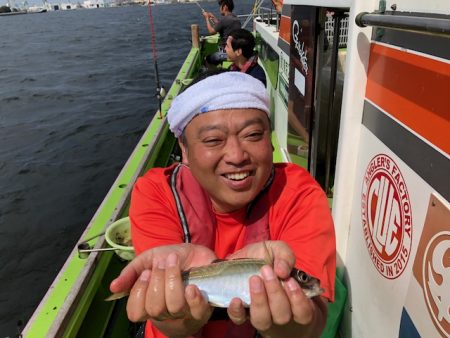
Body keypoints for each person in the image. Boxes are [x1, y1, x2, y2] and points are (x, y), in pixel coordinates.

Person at [110, 72, 336, 338]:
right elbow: (168, 323)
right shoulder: (156, 192)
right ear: (184, 147)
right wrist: (174, 320)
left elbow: (314, 320)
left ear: (269, 138)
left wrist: (292, 326)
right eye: (213, 140)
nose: (237, 156)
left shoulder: (298, 193)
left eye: (253, 135)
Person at [203, 0, 241, 65]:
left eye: (221, 6)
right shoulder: (237, 19)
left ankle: (213, 73)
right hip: (235, 51)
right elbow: (223, 25)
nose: (220, 8)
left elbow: (211, 31)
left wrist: (206, 18)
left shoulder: (224, 19)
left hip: (225, 53)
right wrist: (214, 18)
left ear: (225, 7)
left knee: (207, 59)